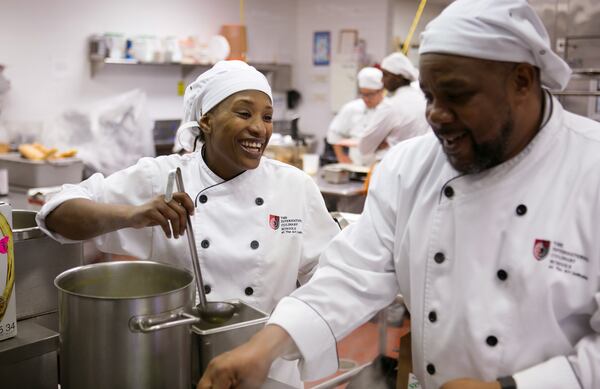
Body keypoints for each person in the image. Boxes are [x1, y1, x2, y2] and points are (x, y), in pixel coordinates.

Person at [197, 1, 600, 389]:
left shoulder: (590, 170)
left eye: (457, 95)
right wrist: (264, 348)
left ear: (522, 81)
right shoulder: (409, 167)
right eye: (429, 96)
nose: (436, 115)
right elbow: (351, 274)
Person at [36, 60, 339, 388]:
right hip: (179, 368)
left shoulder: (294, 187)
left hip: (268, 372)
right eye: (244, 113)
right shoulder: (163, 178)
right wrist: (132, 214)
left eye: (266, 116)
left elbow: (330, 278)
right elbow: (56, 213)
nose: (259, 128)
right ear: (206, 121)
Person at [357, 52, 430, 159]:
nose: (382, 80)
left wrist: (383, 142)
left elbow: (364, 147)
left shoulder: (390, 105)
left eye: (385, 75)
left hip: (393, 166)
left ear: (398, 77)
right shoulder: (424, 99)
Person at [326, 66, 387, 165]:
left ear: (381, 91)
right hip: (355, 166)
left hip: (380, 166)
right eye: (363, 94)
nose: (366, 99)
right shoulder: (352, 108)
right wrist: (341, 157)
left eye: (370, 94)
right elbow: (333, 133)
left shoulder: (389, 110)